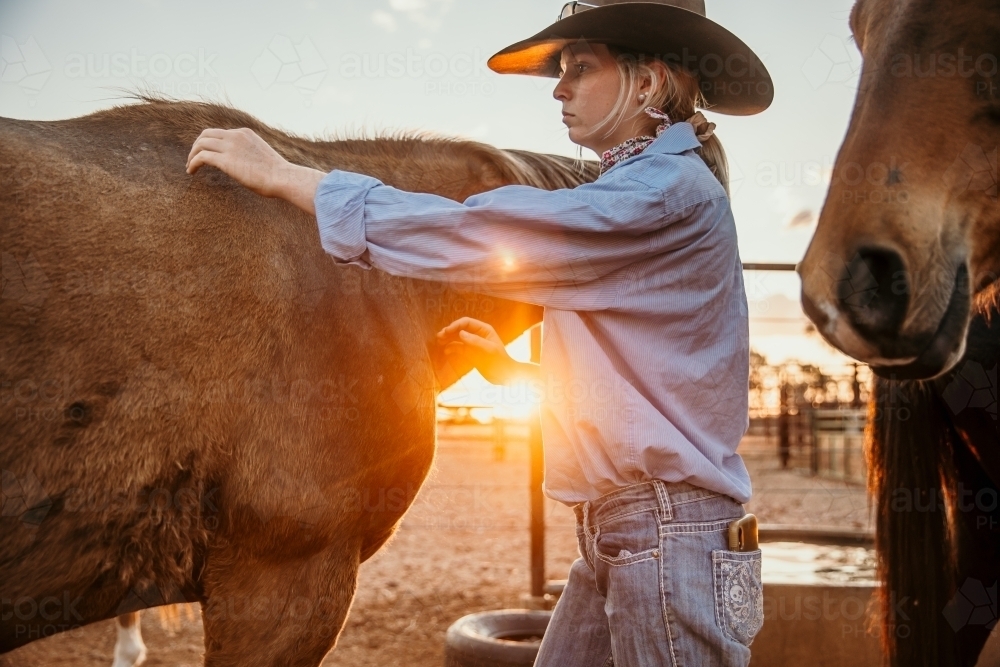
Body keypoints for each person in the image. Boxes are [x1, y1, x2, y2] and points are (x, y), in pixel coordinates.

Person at [185, 1, 773, 664]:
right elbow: (656, 380)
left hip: (664, 535)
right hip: (633, 533)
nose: (559, 87)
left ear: (647, 84)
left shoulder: (664, 191)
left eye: (581, 68)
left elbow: (484, 234)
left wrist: (291, 178)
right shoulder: (648, 188)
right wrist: (519, 374)